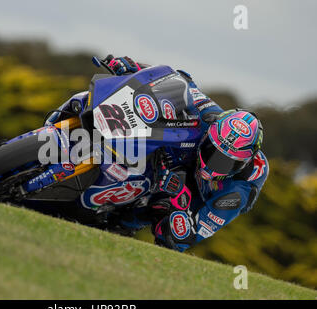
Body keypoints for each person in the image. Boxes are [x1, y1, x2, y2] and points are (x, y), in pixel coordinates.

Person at [107, 56, 269, 252]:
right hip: (183, 157)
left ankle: (119, 223)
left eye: (225, 162)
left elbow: (187, 237)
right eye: (212, 150)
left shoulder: (236, 192)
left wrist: (174, 196)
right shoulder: (209, 115)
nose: (212, 164)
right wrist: (133, 69)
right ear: (213, 130)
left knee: (173, 236)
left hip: (198, 196)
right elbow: (178, 80)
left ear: (242, 164)